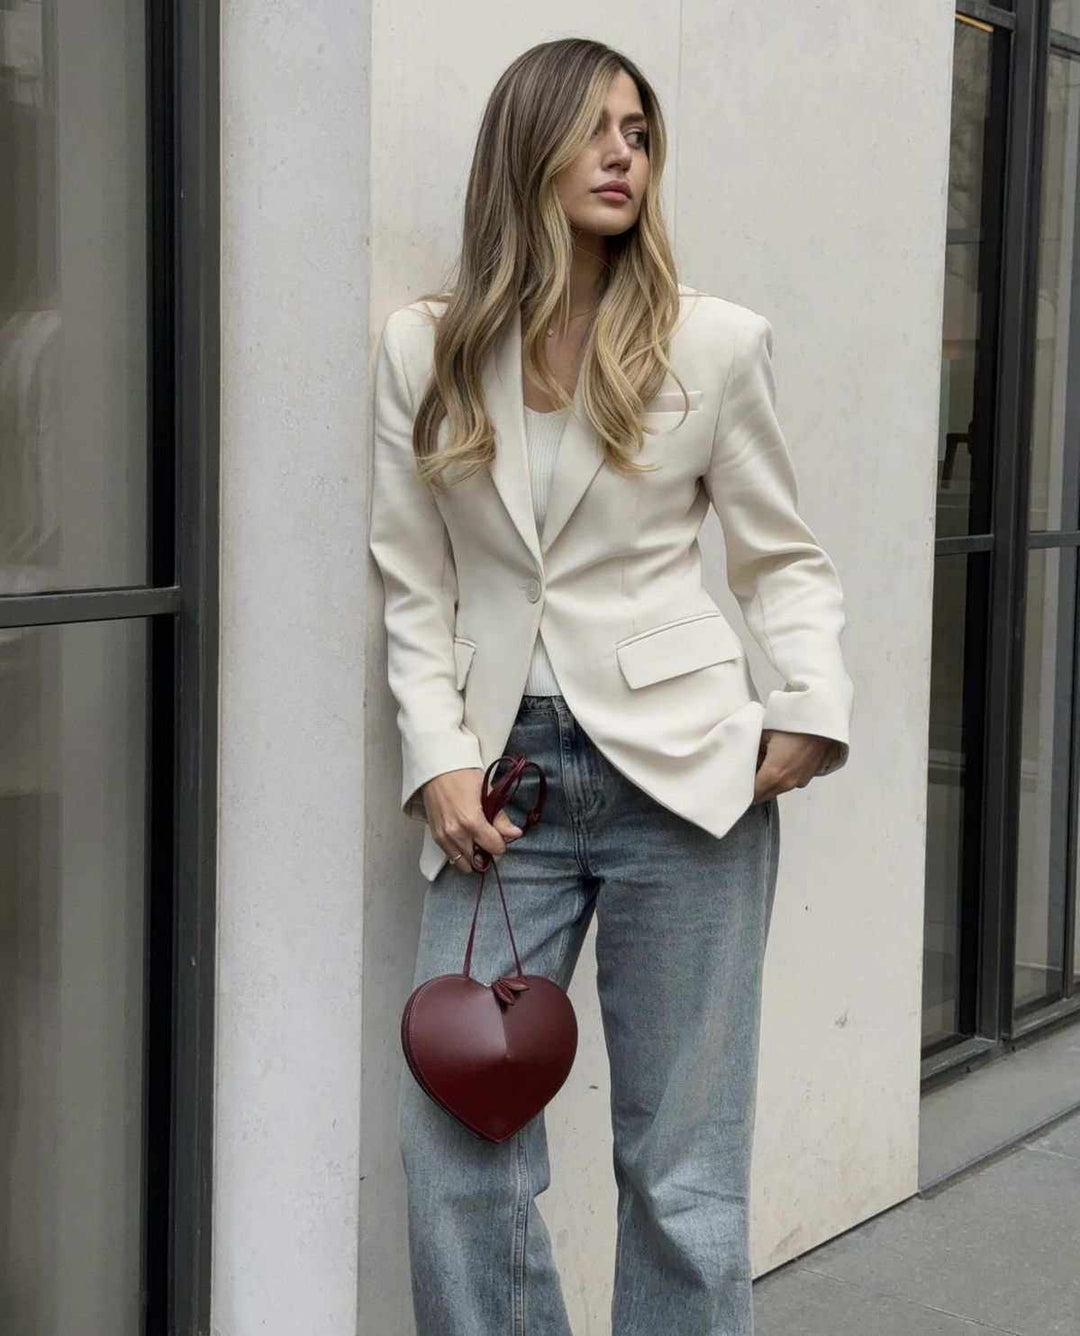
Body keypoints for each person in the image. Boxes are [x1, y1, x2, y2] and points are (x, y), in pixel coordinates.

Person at [368, 36, 854, 1336]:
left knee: (680, 1176)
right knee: (454, 1158)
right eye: (594, 128)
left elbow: (782, 559)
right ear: (525, 147)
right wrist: (433, 757)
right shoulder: (426, 353)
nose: (622, 153)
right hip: (499, 794)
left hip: (689, 785)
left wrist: (806, 709)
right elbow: (412, 584)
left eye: (638, 131)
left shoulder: (716, 341)